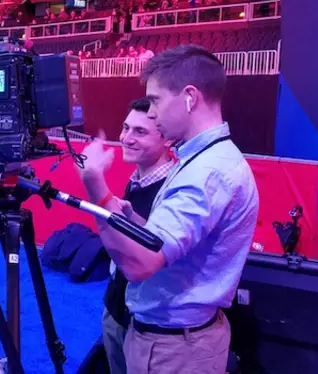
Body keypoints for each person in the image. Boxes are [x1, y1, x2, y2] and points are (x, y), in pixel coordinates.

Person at [78, 45, 259, 374]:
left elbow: (139, 264)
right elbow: (168, 243)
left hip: (175, 348)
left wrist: (96, 189)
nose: (152, 113)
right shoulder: (201, 159)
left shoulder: (208, 172)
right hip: (172, 340)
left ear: (190, 97)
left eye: (156, 101)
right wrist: (130, 219)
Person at [98, 98, 174, 374]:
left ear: (167, 139)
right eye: (125, 128)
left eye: (139, 132)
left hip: (146, 324)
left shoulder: (174, 189)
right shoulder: (138, 178)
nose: (126, 138)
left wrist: (96, 186)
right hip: (117, 308)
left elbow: (152, 257)